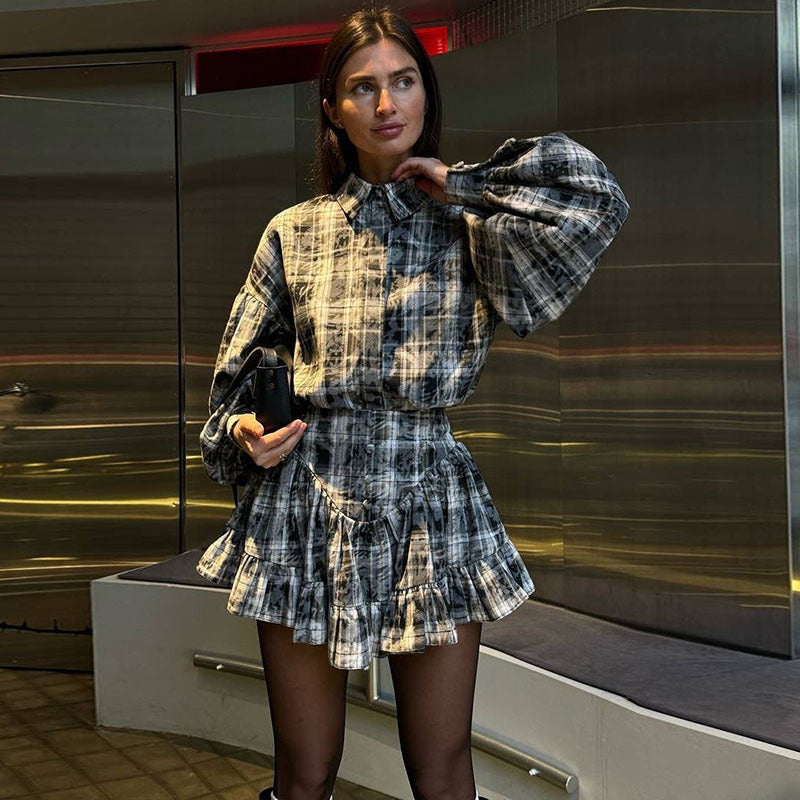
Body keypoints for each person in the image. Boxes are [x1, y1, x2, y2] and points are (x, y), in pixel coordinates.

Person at [195, 4, 630, 800]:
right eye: (362, 87)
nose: (386, 104)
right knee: (303, 772)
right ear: (333, 109)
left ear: (428, 94)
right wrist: (245, 433)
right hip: (305, 506)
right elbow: (231, 392)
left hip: (431, 504)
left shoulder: (474, 224)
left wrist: (462, 184)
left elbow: (595, 196)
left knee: (442, 767)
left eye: (403, 82)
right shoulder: (293, 232)